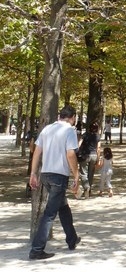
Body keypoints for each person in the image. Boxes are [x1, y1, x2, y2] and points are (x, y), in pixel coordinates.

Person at [28, 104, 81, 260]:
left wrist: (33, 173)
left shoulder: (47, 129)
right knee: (50, 214)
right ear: (73, 118)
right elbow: (71, 154)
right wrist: (76, 174)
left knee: (63, 207)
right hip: (59, 176)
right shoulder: (69, 130)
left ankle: (72, 239)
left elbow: (36, 151)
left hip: (46, 174)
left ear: (60, 116)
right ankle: (36, 249)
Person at [78, 121, 101, 196]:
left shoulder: (85, 135)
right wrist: (98, 158)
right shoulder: (97, 136)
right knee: (91, 174)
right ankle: (89, 190)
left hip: (85, 155)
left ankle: (86, 187)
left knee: (83, 173)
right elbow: (98, 148)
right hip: (94, 155)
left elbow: (79, 144)